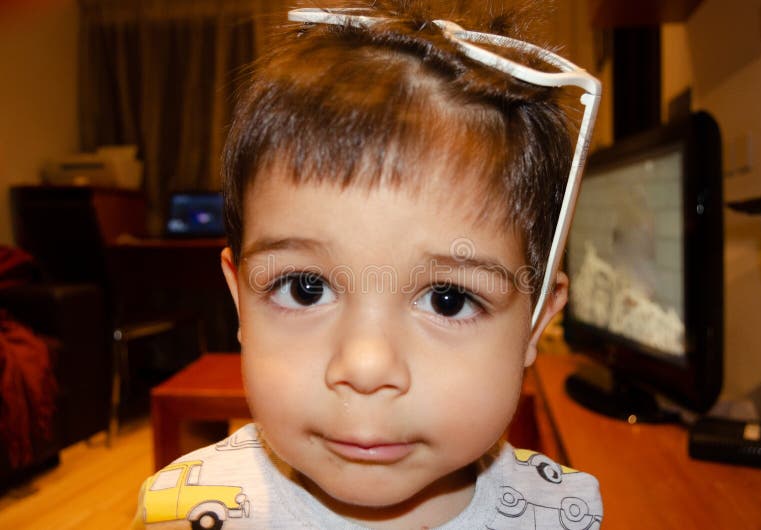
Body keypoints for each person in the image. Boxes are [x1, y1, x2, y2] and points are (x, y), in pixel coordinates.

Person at [133, 1, 603, 528]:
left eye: (448, 299)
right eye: (304, 288)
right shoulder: (186, 511)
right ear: (239, 299)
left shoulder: (561, 515)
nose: (365, 367)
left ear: (536, 320)